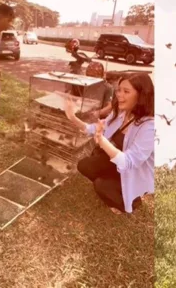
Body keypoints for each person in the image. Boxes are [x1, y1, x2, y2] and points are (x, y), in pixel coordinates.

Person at [62, 73, 154, 214]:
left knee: (101, 185)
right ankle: (114, 185)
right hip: (117, 165)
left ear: (141, 95)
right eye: (119, 90)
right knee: (84, 165)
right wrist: (72, 117)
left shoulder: (149, 126)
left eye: (126, 91)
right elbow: (94, 129)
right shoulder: (121, 113)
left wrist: (102, 140)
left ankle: (132, 200)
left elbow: (129, 162)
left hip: (133, 172)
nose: (119, 95)